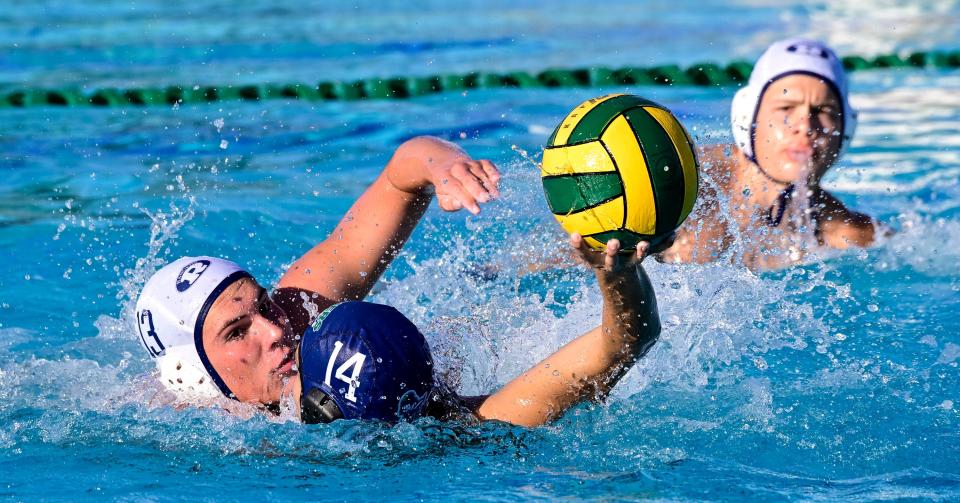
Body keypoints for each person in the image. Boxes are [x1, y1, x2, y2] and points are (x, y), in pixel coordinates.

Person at [134, 135, 667, 426]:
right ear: (195, 377)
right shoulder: (183, 424)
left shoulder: (434, 417)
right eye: (236, 332)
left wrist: (446, 169)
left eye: (263, 304)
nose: (275, 330)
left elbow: (403, 171)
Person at [658, 38, 882, 269]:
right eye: (786, 107)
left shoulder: (846, 233)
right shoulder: (682, 183)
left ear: (845, 130)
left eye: (823, 110)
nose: (805, 126)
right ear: (749, 116)